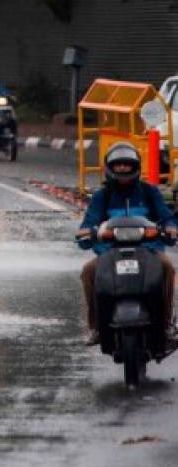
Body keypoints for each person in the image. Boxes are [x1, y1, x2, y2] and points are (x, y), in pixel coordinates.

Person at [76, 142, 178, 345]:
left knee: (167, 268)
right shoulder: (101, 196)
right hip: (109, 252)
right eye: (118, 165)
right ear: (110, 168)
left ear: (136, 167)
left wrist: (171, 227)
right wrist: (87, 233)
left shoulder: (149, 192)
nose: (122, 168)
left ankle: (166, 324)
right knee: (88, 271)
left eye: (127, 164)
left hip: (149, 251)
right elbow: (88, 223)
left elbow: (167, 217)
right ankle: (95, 326)